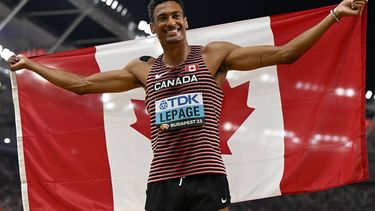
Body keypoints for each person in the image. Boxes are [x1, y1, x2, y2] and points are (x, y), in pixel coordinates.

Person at [7, 0, 368, 210]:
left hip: (207, 176)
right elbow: (82, 85)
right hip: (162, 181)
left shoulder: (213, 56)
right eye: (162, 18)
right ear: (154, 27)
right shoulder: (143, 69)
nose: (170, 22)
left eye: (175, 16)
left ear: (185, 22)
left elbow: (284, 54)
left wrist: (333, 16)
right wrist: (32, 65)